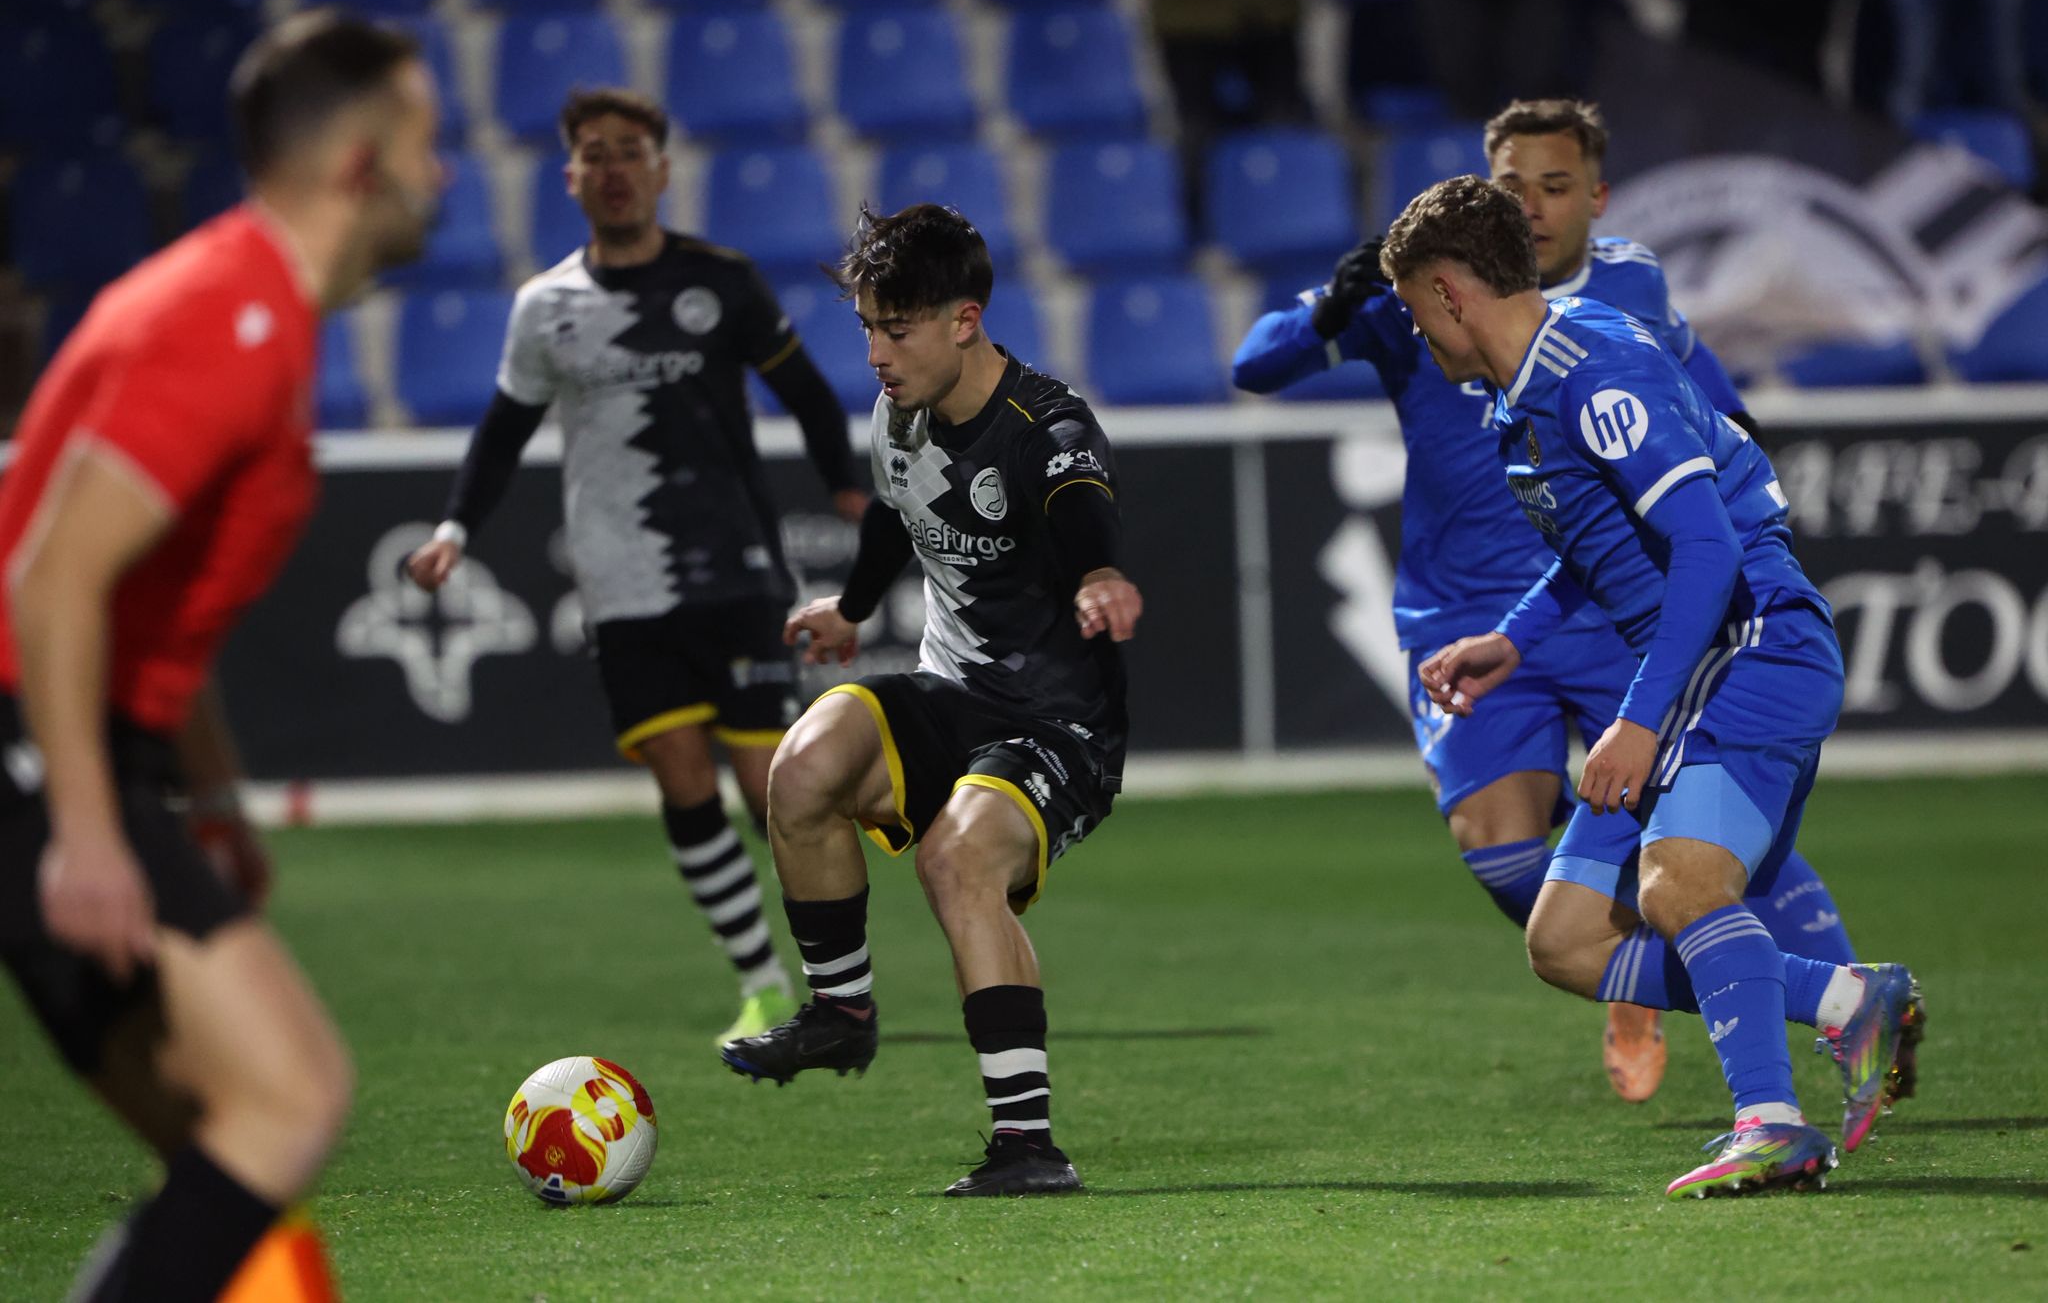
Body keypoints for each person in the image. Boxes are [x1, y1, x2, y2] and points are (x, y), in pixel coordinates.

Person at [1233, 99, 1857, 1105]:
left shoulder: (1604, 329)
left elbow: (1698, 512)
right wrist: (1508, 638)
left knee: (1699, 855)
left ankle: (1781, 1097)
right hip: (1517, 608)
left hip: (1686, 627)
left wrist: (1722, 482)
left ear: (1592, 198)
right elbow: (1251, 365)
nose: (1529, 205)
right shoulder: (1494, 356)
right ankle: (1825, 1000)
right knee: (1547, 905)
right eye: (1510, 185)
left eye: (1551, 186)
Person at [0, 11, 445, 1298]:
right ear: (358, 162)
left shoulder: (251, 310)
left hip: (79, 747)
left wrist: (207, 799)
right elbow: (52, 579)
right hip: (35, 745)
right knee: (291, 1096)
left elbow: (152, 599)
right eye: (425, 139)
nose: (445, 173)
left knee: (224, 1143)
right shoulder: (229, 319)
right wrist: (88, 831)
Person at [1388, 174, 1924, 1198]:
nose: (1416, 334)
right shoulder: (1534, 380)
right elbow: (1603, 545)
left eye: (1414, 308)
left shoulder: (1590, 372)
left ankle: (1770, 1125)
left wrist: (1633, 722)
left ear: (1450, 291)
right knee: (1565, 940)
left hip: (1748, 645)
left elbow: (1705, 549)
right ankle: (1848, 996)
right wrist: (1510, 639)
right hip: (1695, 663)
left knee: (1678, 882)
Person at [405, 88, 865, 1048]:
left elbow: (811, 396)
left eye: (630, 151)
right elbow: (501, 434)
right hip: (620, 582)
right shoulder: (545, 307)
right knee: (681, 778)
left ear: (661, 169)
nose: (613, 169)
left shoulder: (723, 281)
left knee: (772, 785)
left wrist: (848, 491)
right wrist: (456, 527)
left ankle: (836, 986)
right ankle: (765, 985)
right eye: (593, 154)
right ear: (570, 177)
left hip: (735, 567)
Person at [719, 203, 1142, 1197]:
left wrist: (1096, 577)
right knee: (803, 764)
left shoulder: (1049, 425)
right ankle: (841, 1010)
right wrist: (851, 609)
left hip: (1058, 724)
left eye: (894, 328)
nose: (873, 352)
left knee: (957, 856)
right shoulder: (899, 410)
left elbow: (1081, 508)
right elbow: (897, 516)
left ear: (964, 319)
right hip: (953, 690)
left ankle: (1027, 1146)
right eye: (866, 326)